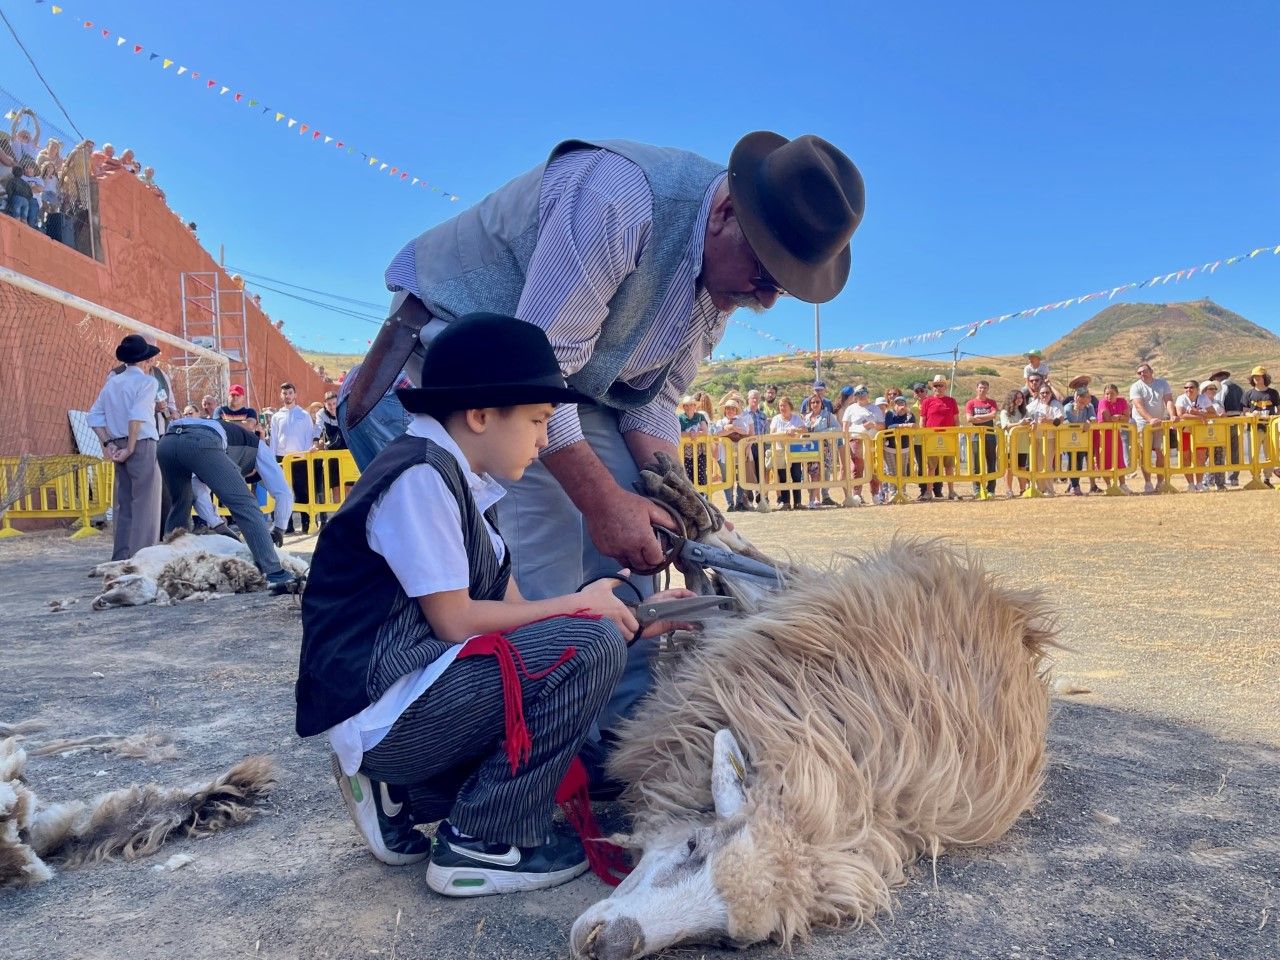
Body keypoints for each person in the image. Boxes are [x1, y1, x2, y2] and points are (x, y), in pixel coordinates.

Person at [342, 131, 864, 594]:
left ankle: (627, 693)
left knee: (649, 534)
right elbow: (534, 377)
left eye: (781, 288)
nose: (766, 299)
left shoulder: (719, 274)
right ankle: (549, 685)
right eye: (764, 273)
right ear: (727, 215)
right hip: (472, 362)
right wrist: (603, 505)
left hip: (570, 383)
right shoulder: (616, 199)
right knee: (549, 543)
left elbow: (653, 399)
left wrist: (686, 506)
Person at [295, 314, 693, 895]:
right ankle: (481, 843)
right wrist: (585, 616)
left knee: (589, 643)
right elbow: (456, 622)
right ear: (480, 416)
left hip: (414, 698)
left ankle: (401, 794)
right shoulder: (420, 477)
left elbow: (520, 619)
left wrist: (635, 624)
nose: (541, 440)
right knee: (588, 643)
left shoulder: (468, 482)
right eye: (537, 421)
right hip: (388, 707)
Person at [157, 416, 299, 592]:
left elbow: (197, 491)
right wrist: (279, 528)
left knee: (180, 504)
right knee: (245, 503)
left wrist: (218, 525)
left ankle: (166, 569)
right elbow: (283, 492)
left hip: (167, 442)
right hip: (201, 440)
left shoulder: (227, 437)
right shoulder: (259, 447)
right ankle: (275, 573)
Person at [87, 335, 162, 560]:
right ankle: (143, 558)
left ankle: (120, 557)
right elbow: (137, 416)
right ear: (144, 360)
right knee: (146, 504)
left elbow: (94, 417)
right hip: (140, 443)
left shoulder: (112, 383)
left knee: (124, 503)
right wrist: (130, 447)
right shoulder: (148, 382)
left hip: (117, 444)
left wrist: (109, 443)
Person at [271, 382, 319, 531]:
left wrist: (305, 455)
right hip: (281, 459)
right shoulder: (276, 417)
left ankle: (307, 524)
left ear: (295, 394)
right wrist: (272, 459)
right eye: (285, 393)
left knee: (303, 491)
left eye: (290, 393)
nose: (288, 396)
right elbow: (273, 438)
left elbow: (309, 436)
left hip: (300, 459)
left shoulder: (303, 415)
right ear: (281, 395)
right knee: (284, 492)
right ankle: (286, 526)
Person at [1129, 362, 1174, 493]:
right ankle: (1148, 482)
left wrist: (1172, 415)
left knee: (1161, 452)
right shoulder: (1135, 387)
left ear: (1151, 371)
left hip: (1160, 422)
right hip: (1143, 423)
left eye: (1144, 371)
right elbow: (1138, 405)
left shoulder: (1162, 384)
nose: (1142, 374)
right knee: (1145, 453)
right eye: (1139, 373)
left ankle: (1160, 482)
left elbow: (1168, 400)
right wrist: (1150, 419)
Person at [919, 374, 959, 500]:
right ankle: (929, 492)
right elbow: (922, 421)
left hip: (948, 437)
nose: (938, 388)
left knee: (949, 466)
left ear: (945, 387)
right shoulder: (927, 401)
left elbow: (956, 420)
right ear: (932, 388)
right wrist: (923, 434)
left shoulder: (952, 401)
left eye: (941, 385)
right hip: (931, 438)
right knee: (931, 466)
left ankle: (951, 491)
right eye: (936, 385)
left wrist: (956, 433)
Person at [711, 395, 752, 510]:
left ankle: (739, 502)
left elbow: (746, 431)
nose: (730, 411)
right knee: (726, 478)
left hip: (739, 453)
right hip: (724, 454)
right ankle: (730, 503)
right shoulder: (720, 422)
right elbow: (718, 433)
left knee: (740, 477)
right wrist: (727, 429)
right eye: (728, 408)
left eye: (732, 409)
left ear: (736, 410)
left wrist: (732, 427)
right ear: (725, 410)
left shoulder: (741, 420)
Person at [1242, 366, 1279, 487]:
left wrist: (1275, 416)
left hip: (1270, 427)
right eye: (1255, 376)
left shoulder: (1273, 393)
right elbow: (1244, 411)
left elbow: (1278, 409)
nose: (1257, 378)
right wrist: (1251, 414)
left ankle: (1267, 478)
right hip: (1254, 428)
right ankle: (1255, 477)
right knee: (1254, 453)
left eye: (1259, 376)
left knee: (1271, 453)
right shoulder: (1249, 394)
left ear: (1264, 377)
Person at [839, 386, 877, 505]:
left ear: (867, 393)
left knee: (874, 467)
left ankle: (875, 494)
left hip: (873, 440)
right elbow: (845, 426)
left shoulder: (874, 408)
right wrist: (845, 441)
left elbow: (882, 424)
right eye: (858, 393)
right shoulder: (851, 408)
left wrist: (873, 425)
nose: (861, 395)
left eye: (863, 392)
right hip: (855, 440)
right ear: (855, 395)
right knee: (856, 467)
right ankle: (857, 495)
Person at [1026, 382, 1065, 496]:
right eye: (1042, 393)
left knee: (1046, 465)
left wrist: (1048, 421)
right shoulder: (1036, 403)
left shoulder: (1055, 404)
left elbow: (1060, 420)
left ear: (1050, 394)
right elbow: (1026, 412)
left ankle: (1049, 489)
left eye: (1047, 393)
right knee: (1037, 464)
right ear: (1038, 394)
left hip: (1049, 438)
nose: (1044, 395)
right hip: (1036, 437)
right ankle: (1041, 489)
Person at [801, 393, 839, 508]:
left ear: (821, 403)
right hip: (809, 448)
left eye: (817, 402)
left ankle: (821, 497)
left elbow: (837, 428)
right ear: (809, 404)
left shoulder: (828, 416)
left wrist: (820, 434)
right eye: (813, 402)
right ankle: (814, 499)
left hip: (823, 447)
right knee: (812, 474)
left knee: (823, 472)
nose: (815, 404)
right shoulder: (806, 417)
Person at [1208, 369, 1244, 486]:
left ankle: (1215, 478)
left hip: (1224, 421)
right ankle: (1233, 477)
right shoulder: (1239, 388)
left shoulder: (1222, 388)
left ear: (1217, 378)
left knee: (1219, 450)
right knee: (1235, 450)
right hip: (1238, 420)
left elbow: (1219, 404)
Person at [769, 396, 806, 508]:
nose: (782, 408)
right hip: (780, 451)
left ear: (790, 406)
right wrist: (784, 434)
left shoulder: (796, 418)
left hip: (795, 451)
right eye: (780, 405)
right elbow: (771, 433)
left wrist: (794, 430)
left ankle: (798, 502)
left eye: (784, 405)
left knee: (796, 475)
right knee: (783, 476)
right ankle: (785, 502)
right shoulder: (776, 419)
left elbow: (804, 429)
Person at [964, 380, 999, 498]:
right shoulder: (971, 403)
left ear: (988, 389)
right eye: (980, 387)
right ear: (976, 389)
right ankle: (977, 489)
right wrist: (984, 418)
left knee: (991, 462)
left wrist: (978, 417)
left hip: (990, 435)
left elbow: (993, 415)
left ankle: (991, 489)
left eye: (984, 388)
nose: (982, 390)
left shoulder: (991, 402)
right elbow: (969, 419)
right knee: (976, 463)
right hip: (975, 436)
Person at [1094, 384, 1130, 492]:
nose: (1109, 396)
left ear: (1117, 394)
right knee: (1104, 460)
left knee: (1119, 458)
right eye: (1107, 394)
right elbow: (1107, 418)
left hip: (1115, 434)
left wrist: (1118, 417)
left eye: (1112, 394)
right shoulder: (1102, 402)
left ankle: (1123, 485)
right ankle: (1109, 486)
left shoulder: (1122, 401)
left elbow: (1127, 418)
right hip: (1102, 435)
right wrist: (1119, 417)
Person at [1062, 387, 1096, 495]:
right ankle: (1074, 486)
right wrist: (1076, 412)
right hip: (1069, 439)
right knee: (1072, 460)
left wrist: (1089, 421)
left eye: (1085, 399)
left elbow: (1093, 418)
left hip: (1083, 440)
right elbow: (1066, 421)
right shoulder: (1068, 407)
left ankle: (1073, 484)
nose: (1082, 402)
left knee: (1080, 462)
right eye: (1080, 399)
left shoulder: (1089, 407)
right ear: (1076, 397)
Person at [881, 395, 915, 502]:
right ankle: (893, 493)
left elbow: (913, 425)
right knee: (892, 472)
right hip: (890, 447)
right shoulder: (890, 414)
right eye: (897, 403)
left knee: (903, 471)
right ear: (894, 405)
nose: (900, 405)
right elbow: (890, 425)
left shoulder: (910, 415)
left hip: (904, 447)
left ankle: (902, 492)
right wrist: (903, 426)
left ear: (905, 404)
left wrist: (904, 425)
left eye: (902, 403)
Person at [999, 389, 1031, 498]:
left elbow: (1029, 421)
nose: (1019, 400)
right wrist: (1020, 423)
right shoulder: (1004, 412)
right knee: (1009, 468)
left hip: (1022, 443)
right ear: (1011, 399)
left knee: (1022, 467)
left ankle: (1023, 490)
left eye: (1021, 398)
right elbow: (1005, 425)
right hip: (1009, 444)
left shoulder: (1024, 411)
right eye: (1017, 398)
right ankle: (1009, 490)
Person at [1197, 380, 1226, 491]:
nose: (1213, 391)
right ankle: (1205, 483)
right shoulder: (1199, 402)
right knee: (1204, 458)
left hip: (1218, 433)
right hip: (1203, 434)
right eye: (1211, 389)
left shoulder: (1218, 402)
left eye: (1215, 389)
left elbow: (1223, 415)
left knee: (1219, 457)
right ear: (1204, 391)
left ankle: (1220, 483)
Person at [677, 394, 709, 486]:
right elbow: (678, 433)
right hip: (685, 452)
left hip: (700, 451)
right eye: (686, 405)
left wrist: (696, 434)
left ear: (695, 406)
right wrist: (691, 434)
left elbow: (705, 431)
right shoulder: (679, 418)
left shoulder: (700, 416)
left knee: (701, 474)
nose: (689, 407)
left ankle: (702, 498)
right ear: (683, 407)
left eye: (691, 404)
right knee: (687, 476)